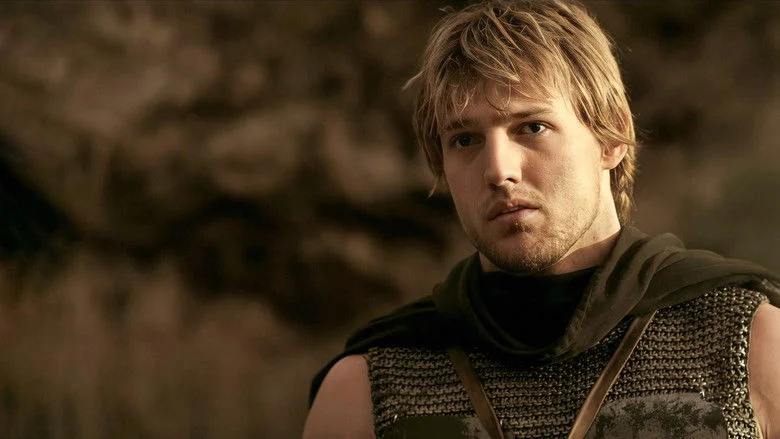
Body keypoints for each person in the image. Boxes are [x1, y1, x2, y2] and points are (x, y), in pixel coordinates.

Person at [303, 1, 780, 438]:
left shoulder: (753, 345)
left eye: (532, 127)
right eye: (465, 140)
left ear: (611, 137)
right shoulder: (367, 389)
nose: (499, 170)